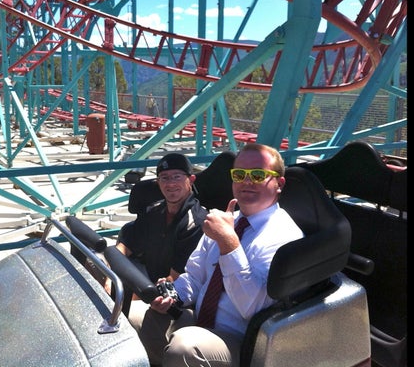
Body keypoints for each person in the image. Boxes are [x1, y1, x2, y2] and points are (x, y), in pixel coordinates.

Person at [127, 143, 304, 366]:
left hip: (243, 341)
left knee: (185, 346)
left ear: (279, 184)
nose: (247, 181)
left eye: (258, 175)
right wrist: (173, 294)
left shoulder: (283, 235)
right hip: (201, 322)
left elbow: (251, 307)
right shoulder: (226, 220)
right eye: (239, 174)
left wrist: (228, 243)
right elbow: (194, 277)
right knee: (132, 317)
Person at [114, 153, 208, 315]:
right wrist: (112, 277)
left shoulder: (197, 222)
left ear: (191, 180)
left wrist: (128, 293)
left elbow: (175, 279)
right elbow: (125, 244)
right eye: (164, 178)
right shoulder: (154, 210)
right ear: (158, 183)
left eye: (177, 177)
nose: (170, 183)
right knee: (94, 263)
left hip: (167, 293)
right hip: (143, 276)